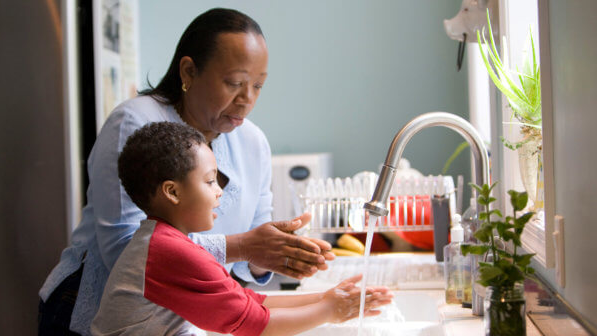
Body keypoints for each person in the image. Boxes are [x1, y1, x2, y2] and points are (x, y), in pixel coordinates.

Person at [39, 8, 334, 335]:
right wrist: (244, 246)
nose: (246, 100)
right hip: (91, 313)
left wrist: (276, 253)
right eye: (234, 83)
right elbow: (126, 252)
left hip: (178, 320)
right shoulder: (136, 122)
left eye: (258, 86)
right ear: (189, 71)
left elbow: (247, 262)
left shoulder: (253, 142)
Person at [91, 122, 392, 335]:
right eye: (210, 181)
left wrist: (325, 298)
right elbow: (255, 324)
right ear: (172, 192)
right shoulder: (167, 251)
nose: (219, 191)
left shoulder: (166, 241)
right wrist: (331, 311)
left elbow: (251, 301)